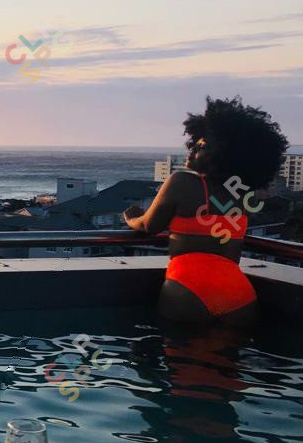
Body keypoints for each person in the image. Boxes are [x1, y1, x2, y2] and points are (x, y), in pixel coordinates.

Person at [123, 97, 288, 324]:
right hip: (239, 293)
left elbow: (149, 226)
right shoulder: (242, 194)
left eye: (202, 146)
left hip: (187, 287)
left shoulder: (181, 181)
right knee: (226, 357)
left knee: (179, 354)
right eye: (194, 143)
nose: (191, 149)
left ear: (223, 154)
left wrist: (131, 219)